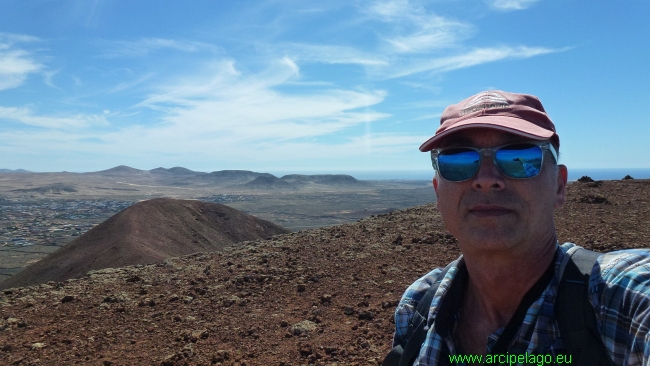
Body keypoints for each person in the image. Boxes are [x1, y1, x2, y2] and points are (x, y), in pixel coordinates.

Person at [389, 91, 650, 365]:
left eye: (519, 157)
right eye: (457, 161)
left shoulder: (619, 298)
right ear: (438, 194)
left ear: (559, 186)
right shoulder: (417, 305)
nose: (486, 179)